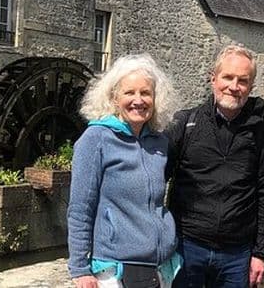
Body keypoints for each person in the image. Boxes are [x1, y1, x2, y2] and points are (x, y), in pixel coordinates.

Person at [165, 45, 264, 287]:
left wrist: (262, 253)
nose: (234, 86)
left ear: (251, 87)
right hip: (187, 246)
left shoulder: (261, 132)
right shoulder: (186, 124)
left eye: (243, 80)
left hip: (236, 254)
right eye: (227, 77)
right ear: (213, 79)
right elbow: (154, 180)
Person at [68, 54, 181, 288]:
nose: (138, 100)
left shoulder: (159, 143)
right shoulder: (96, 139)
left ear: (155, 99)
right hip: (116, 268)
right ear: (114, 97)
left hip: (159, 266)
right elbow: (80, 208)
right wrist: (80, 268)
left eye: (145, 93)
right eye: (129, 92)